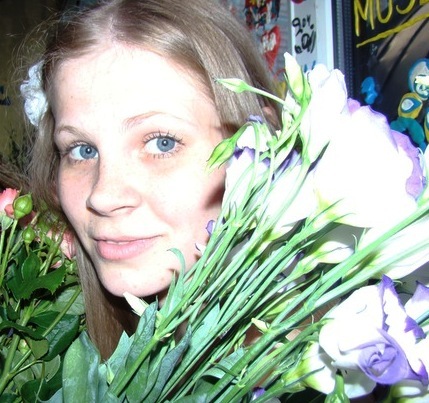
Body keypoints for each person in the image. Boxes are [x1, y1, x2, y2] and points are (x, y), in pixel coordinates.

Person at [26, 0, 280, 359]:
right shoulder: (38, 342)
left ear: (261, 146)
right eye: (82, 150)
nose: (103, 196)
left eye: (162, 142)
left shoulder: (330, 364)